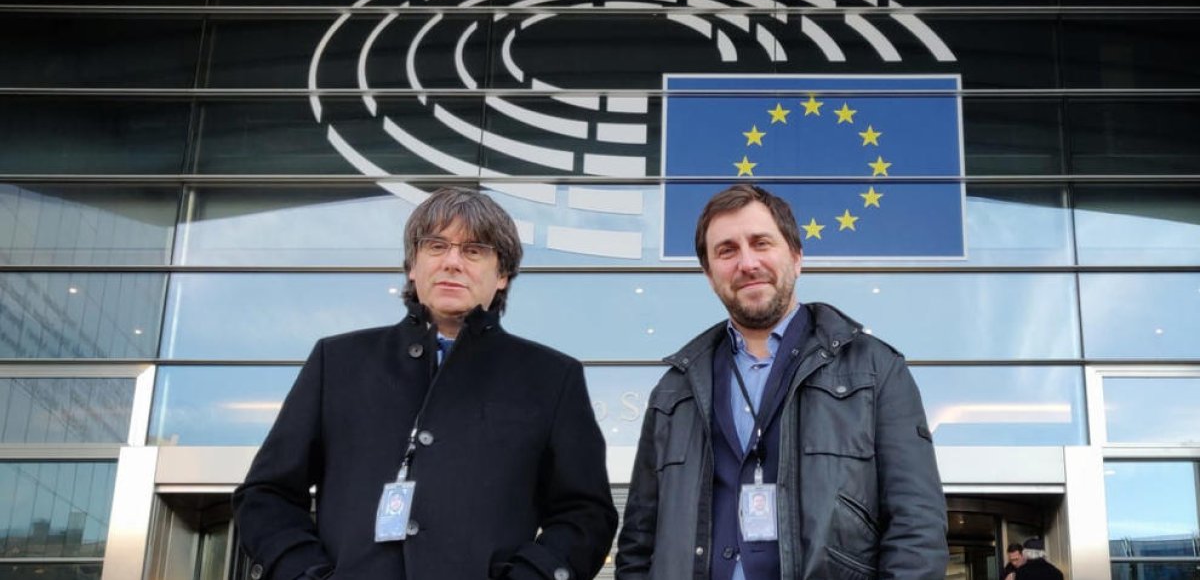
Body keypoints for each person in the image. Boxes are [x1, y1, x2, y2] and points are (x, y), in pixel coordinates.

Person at [233, 187, 618, 580]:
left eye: (473, 250)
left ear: (501, 274)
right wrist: (304, 573)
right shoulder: (337, 362)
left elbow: (585, 514)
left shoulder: (552, 378)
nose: (452, 262)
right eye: (436, 246)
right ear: (413, 266)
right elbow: (268, 495)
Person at [616, 184, 948, 580]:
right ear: (708, 274)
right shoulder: (674, 390)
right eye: (727, 251)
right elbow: (638, 544)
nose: (747, 262)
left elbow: (917, 526)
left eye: (761, 243)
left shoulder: (876, 370)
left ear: (796, 256)